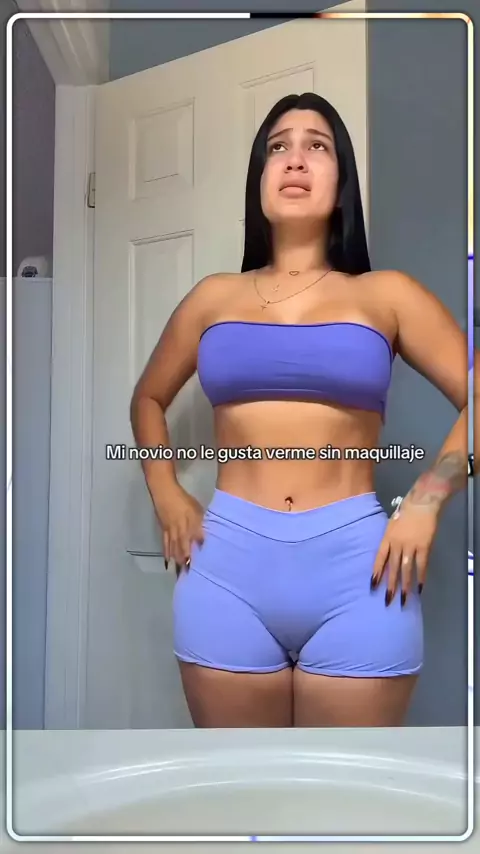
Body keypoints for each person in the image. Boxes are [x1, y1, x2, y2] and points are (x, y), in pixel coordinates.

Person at [130, 92, 478, 728]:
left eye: (317, 145)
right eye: (278, 147)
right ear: (260, 179)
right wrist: (166, 491)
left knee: (345, 784)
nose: (294, 159)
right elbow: (148, 398)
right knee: (243, 781)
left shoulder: (386, 296)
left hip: (362, 574)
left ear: (341, 183)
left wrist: (427, 500)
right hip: (226, 568)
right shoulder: (212, 299)